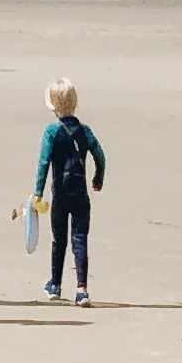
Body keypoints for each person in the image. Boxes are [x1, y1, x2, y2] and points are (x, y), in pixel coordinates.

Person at [32, 78, 106, 304]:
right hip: (80, 193)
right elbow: (100, 156)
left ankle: (55, 284)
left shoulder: (52, 132)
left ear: (53, 106)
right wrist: (98, 179)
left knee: (59, 239)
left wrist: (38, 192)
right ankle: (82, 289)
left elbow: (44, 162)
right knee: (80, 239)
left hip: (61, 194)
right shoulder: (84, 131)